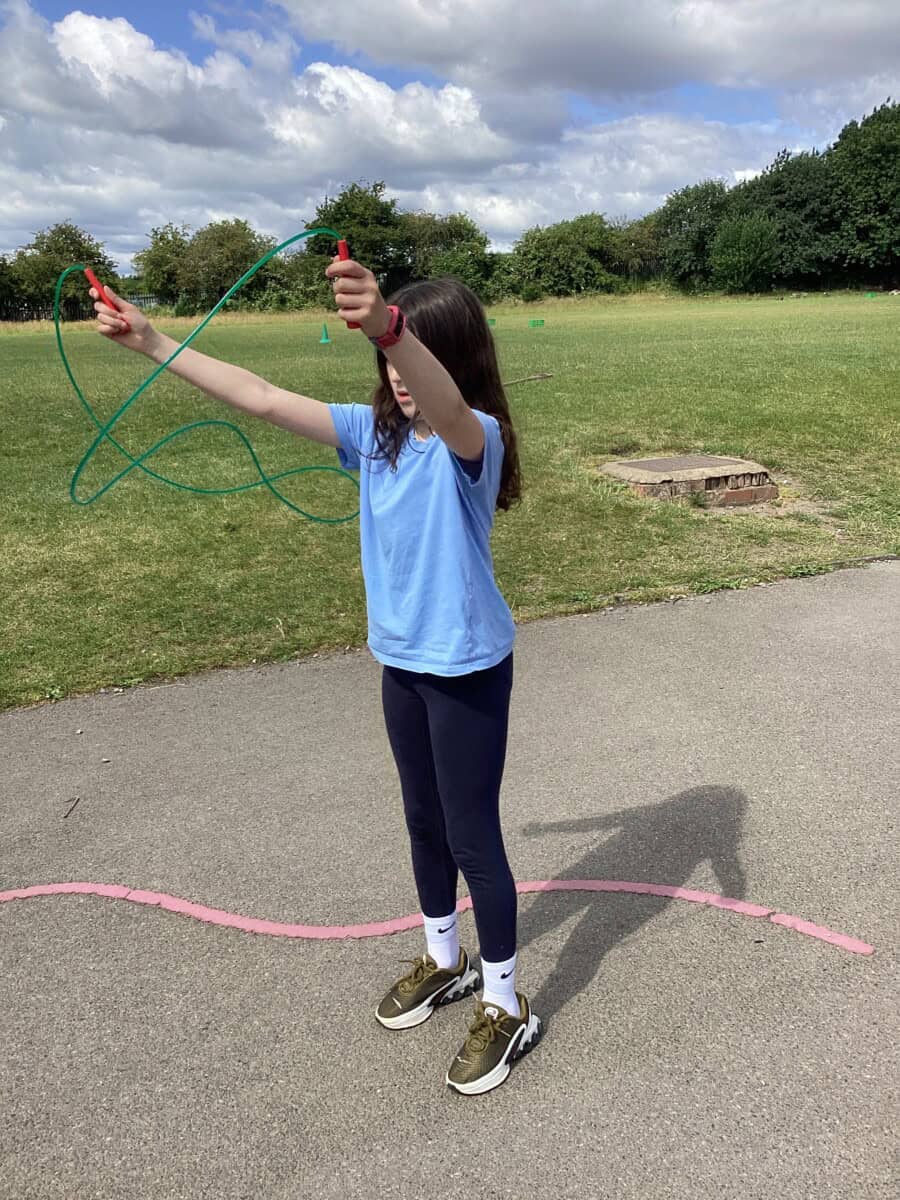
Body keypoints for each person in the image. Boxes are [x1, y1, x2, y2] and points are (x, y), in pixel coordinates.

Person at [89, 254, 542, 1095]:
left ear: (453, 358)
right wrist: (151, 341)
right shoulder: (374, 436)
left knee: (472, 834)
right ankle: (445, 958)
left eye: (413, 353)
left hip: (467, 667)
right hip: (401, 662)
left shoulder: (473, 438)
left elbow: (444, 404)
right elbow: (260, 395)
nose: (397, 374)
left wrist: (391, 327)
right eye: (386, 357)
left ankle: (507, 1004)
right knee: (422, 820)